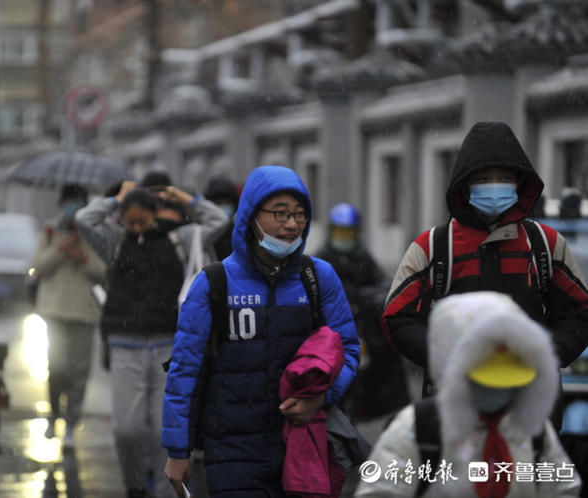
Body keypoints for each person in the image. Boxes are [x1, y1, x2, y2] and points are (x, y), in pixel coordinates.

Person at [162, 165, 360, 497]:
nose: (292, 224)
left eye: (299, 214)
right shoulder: (214, 283)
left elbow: (348, 351)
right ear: (251, 216)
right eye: (280, 214)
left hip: (304, 446)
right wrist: (177, 450)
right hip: (232, 451)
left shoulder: (318, 278)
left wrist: (321, 398)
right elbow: (185, 371)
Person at [382, 121, 588, 400]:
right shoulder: (432, 247)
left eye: (504, 178)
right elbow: (397, 317)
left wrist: (543, 354)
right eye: (483, 179)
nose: (494, 187)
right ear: (464, 185)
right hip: (455, 405)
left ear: (520, 182)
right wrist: (447, 356)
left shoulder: (545, 244)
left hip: (531, 404)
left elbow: (579, 314)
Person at [76, 180, 229, 498]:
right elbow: (83, 220)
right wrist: (114, 199)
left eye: (142, 220)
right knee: (127, 429)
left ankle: (163, 492)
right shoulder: (114, 241)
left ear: (154, 214)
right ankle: (134, 485)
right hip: (124, 345)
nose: (135, 227)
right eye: (129, 221)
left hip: (167, 346)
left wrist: (187, 199)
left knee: (164, 431)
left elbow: (219, 221)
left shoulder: (179, 239)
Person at [356, 291, 581, 497]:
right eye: (484, 380)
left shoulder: (534, 431)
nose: (499, 390)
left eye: (509, 380)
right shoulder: (419, 429)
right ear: (452, 371)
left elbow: (563, 490)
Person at [316, 203, 409, 446]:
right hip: (330, 338)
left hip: (362, 336)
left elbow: (382, 286)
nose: (343, 238)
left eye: (348, 233)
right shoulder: (322, 260)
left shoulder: (362, 258)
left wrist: (365, 299)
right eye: (339, 232)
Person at [30, 184, 106, 448]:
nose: (73, 207)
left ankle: (71, 423)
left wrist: (82, 257)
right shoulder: (51, 231)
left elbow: (105, 270)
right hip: (55, 310)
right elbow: (38, 266)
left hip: (84, 312)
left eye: (78, 201)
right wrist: (61, 249)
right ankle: (53, 416)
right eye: (69, 201)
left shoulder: (95, 232)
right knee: (57, 367)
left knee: (80, 372)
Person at [203, 174, 239, 260]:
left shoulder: (240, 231)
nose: (222, 207)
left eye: (226, 203)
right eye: (218, 203)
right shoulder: (204, 233)